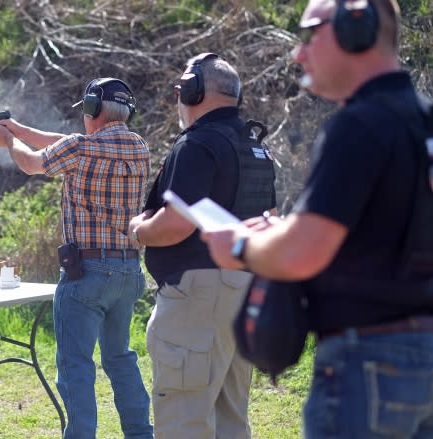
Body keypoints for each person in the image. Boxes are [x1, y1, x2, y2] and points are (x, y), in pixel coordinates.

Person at [201, 0, 433, 437]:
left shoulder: (359, 125)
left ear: (353, 29)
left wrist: (237, 246)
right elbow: (378, 232)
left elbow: (303, 254)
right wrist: (286, 232)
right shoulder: (422, 120)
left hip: (366, 363)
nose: (299, 52)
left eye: (310, 34)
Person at [0, 78, 153, 438]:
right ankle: (141, 434)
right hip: (128, 270)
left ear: (93, 109)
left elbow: (33, 163)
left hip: (87, 275)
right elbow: (61, 144)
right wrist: (16, 126)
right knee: (119, 358)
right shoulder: (140, 147)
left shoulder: (81, 148)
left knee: (76, 366)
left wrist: (9, 142)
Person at [128, 53, 276, 439]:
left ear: (193, 91)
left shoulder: (197, 144)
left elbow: (176, 224)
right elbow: (269, 217)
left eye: (181, 90)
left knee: (183, 419)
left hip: (198, 296)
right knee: (229, 419)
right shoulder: (256, 147)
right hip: (244, 289)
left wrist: (139, 230)